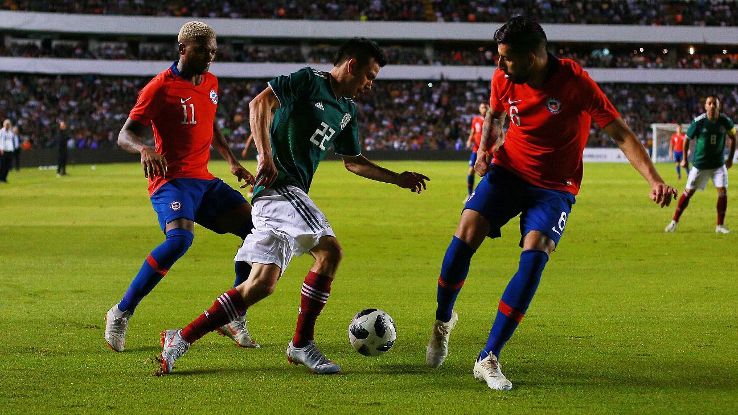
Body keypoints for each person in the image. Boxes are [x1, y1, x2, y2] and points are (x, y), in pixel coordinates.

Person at [424, 16, 677, 391]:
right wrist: (482, 152)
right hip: (508, 171)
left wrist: (654, 179)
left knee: (536, 253)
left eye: (507, 58)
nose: (500, 65)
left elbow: (620, 133)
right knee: (464, 235)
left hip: (555, 187)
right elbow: (493, 115)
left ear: (534, 56)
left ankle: (488, 356)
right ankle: (443, 322)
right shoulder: (504, 79)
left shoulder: (576, 83)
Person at [156, 37, 429, 375]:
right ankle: (301, 344)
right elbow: (260, 104)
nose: (369, 85)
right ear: (352, 66)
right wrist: (266, 158)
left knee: (260, 285)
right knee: (330, 252)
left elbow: (352, 161)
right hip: (280, 187)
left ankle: (179, 338)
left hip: (281, 197)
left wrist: (396, 178)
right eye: (369, 76)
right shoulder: (309, 80)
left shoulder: (347, 112)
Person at [104, 21, 259, 353]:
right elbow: (124, 134)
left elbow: (210, 123)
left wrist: (231, 160)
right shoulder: (159, 87)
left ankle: (235, 314)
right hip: (171, 181)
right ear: (183, 49)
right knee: (179, 240)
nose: (210, 57)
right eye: (203, 50)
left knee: (256, 230)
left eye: (214, 51)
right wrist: (144, 148)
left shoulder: (212, 83)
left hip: (202, 180)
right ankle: (121, 312)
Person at [664, 96, 736, 234]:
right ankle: (674, 222)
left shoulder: (725, 121)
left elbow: (733, 137)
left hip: (718, 165)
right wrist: (685, 159)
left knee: (723, 193)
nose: (712, 105)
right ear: (705, 106)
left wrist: (731, 159)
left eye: (715, 103)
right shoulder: (698, 122)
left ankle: (719, 226)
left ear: (718, 106)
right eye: (709, 103)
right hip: (700, 165)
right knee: (688, 193)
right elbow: (687, 140)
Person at [465, 103, 488, 200]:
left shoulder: (491, 120)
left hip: (487, 150)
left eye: (485, 107)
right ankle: (470, 194)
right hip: (476, 149)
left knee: (486, 172)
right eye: (482, 107)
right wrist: (469, 140)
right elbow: (473, 132)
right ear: (479, 109)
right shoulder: (475, 120)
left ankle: (487, 194)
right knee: (471, 170)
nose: (484, 109)